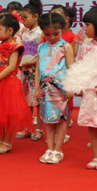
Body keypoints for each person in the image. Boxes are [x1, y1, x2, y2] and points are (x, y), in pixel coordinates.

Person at [64, 6, 97, 171]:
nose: (85, 28)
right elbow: (80, 66)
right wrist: (77, 85)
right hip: (89, 91)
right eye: (85, 24)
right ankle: (95, 156)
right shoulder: (85, 46)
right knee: (91, 125)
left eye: (88, 25)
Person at [0, 13, 32, 154]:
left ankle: (7, 142)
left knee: (8, 116)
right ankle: (0, 140)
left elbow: (11, 67)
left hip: (8, 83)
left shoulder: (15, 45)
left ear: (10, 30)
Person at [34, 12, 74, 164]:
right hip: (44, 89)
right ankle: (49, 148)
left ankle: (58, 149)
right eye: (47, 34)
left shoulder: (66, 47)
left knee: (61, 119)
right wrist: (36, 89)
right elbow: (38, 69)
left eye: (56, 34)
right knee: (48, 119)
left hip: (61, 89)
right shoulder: (41, 47)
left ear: (62, 29)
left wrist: (70, 87)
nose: (51, 37)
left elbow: (71, 68)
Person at [18, 0, 43, 140]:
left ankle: (38, 129)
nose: (23, 21)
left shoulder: (41, 33)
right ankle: (27, 127)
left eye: (25, 17)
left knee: (37, 101)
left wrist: (33, 62)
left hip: (36, 70)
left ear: (36, 16)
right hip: (25, 70)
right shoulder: (24, 34)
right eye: (22, 18)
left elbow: (42, 53)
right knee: (25, 99)